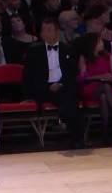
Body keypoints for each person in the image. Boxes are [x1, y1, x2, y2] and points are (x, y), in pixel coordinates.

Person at [23, 18, 85, 148]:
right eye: (43, 30)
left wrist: (60, 84)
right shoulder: (33, 50)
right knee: (70, 102)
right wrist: (47, 87)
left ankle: (71, 129)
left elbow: (71, 73)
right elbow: (29, 76)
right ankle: (77, 137)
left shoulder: (69, 49)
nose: (45, 33)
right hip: (43, 89)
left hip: (63, 87)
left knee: (69, 96)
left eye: (49, 30)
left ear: (57, 32)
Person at [77, 32, 112, 144]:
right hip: (91, 87)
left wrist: (110, 77)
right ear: (93, 43)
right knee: (104, 88)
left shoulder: (108, 56)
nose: (102, 43)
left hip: (107, 88)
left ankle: (105, 133)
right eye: (99, 41)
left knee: (104, 95)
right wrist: (100, 77)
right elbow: (83, 77)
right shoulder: (84, 58)